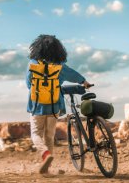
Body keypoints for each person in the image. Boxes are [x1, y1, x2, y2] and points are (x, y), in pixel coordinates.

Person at [26, 35, 91, 174]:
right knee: (49, 136)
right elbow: (73, 75)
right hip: (54, 105)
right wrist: (84, 82)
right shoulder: (59, 66)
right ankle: (47, 169)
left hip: (37, 105)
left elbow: (28, 84)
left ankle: (45, 155)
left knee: (35, 134)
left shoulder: (32, 63)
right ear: (58, 50)